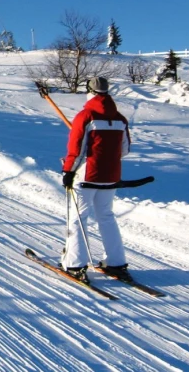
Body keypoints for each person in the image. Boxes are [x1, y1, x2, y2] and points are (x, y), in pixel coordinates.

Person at [60, 77, 132, 284]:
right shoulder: (120, 118)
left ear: (89, 91)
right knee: (107, 216)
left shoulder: (85, 116)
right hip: (110, 177)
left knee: (78, 218)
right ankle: (116, 262)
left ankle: (74, 264)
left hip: (86, 177)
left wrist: (68, 171)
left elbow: (76, 150)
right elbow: (125, 149)